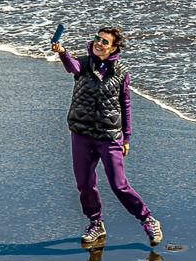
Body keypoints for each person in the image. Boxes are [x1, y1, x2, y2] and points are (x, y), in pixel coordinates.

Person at [51, 26, 163, 246]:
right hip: (82, 133)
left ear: (113, 48)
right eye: (97, 38)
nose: (98, 43)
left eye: (104, 41)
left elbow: (126, 105)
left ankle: (147, 219)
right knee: (84, 184)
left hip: (109, 136)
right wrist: (62, 52)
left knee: (118, 184)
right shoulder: (83, 63)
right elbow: (71, 66)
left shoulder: (121, 72)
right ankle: (95, 224)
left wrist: (127, 137)